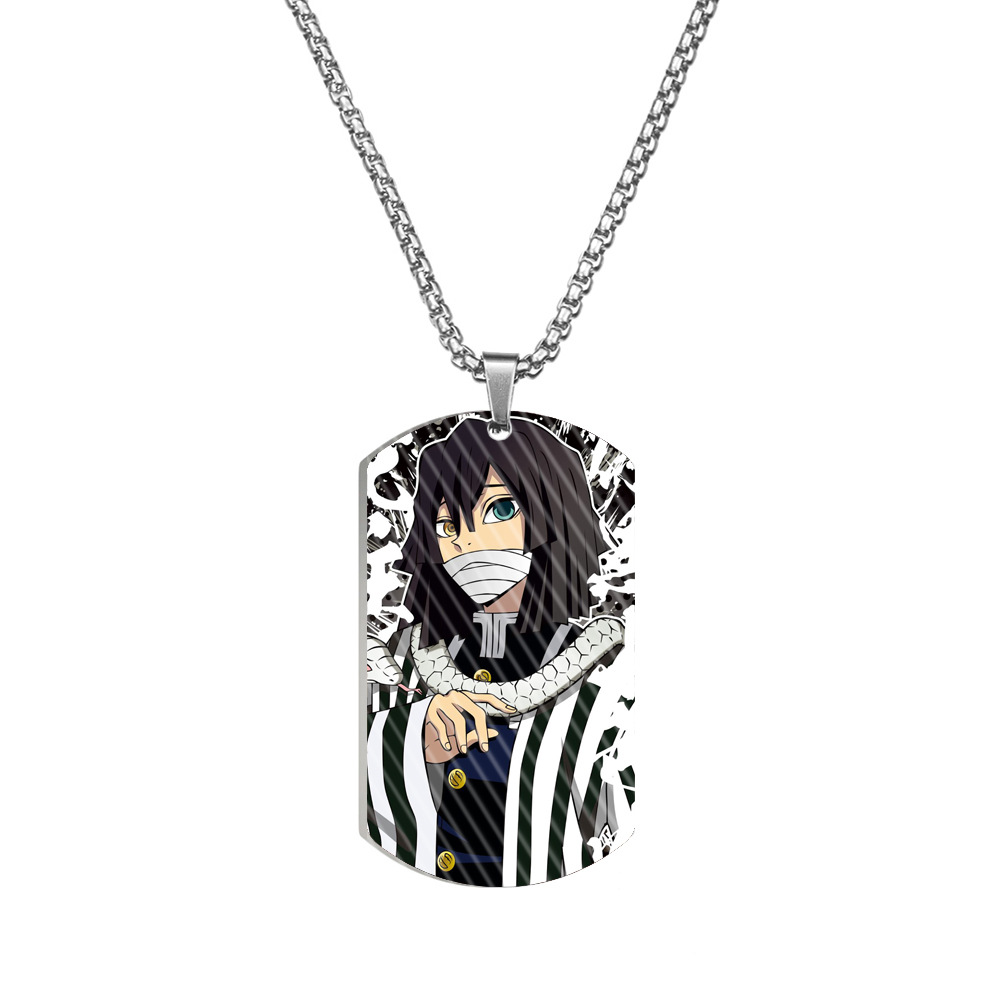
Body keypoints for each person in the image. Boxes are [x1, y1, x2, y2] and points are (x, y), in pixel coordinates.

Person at [365, 416, 633, 886]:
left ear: (554, 511)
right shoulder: (403, 656)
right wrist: (409, 738)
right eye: (447, 524)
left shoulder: (613, 668)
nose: (467, 542)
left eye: (499, 510)